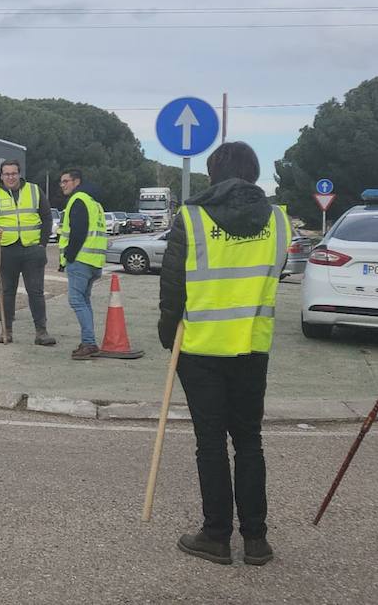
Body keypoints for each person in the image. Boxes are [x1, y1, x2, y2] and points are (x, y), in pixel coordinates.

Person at [159, 142, 286, 567]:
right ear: (253, 173)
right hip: (253, 346)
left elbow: (173, 286)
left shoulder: (191, 218)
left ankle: (215, 535)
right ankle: (256, 540)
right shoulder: (280, 221)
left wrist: (166, 331)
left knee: (210, 443)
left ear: (213, 174)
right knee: (249, 440)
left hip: (200, 349)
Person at [0, 159, 55, 345]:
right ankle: (7, 331)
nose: (10, 177)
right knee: (6, 292)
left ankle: (41, 332)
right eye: (7, 174)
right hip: (6, 251)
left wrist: (42, 244)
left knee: (36, 292)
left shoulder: (35, 190)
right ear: (1, 176)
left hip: (32, 250)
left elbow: (46, 218)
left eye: (14, 173)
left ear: (19, 174)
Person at [59, 169, 109, 360]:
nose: (62, 185)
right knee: (84, 301)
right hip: (94, 261)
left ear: (76, 181)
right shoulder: (94, 202)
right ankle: (88, 340)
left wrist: (69, 257)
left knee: (76, 300)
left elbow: (78, 232)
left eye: (66, 181)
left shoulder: (78, 199)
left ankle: (89, 343)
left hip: (81, 260)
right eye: (61, 182)